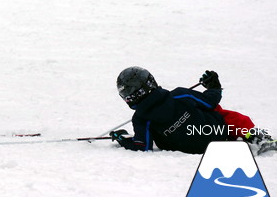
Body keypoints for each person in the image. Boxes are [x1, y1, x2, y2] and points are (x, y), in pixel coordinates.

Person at [111, 66, 273, 154]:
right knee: (221, 113)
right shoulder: (179, 95)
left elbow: (142, 146)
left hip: (190, 149)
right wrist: (214, 86)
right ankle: (258, 137)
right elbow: (210, 101)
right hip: (217, 133)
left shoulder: (141, 119)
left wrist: (123, 139)